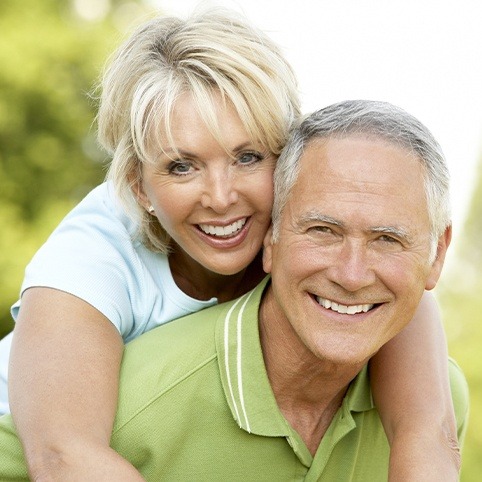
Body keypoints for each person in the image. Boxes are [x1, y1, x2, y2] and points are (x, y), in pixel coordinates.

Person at [0, 7, 460, 481]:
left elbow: (425, 425)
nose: (221, 198)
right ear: (139, 186)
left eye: (248, 156)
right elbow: (62, 458)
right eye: (182, 166)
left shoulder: (315, 244)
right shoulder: (90, 260)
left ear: (289, 161)